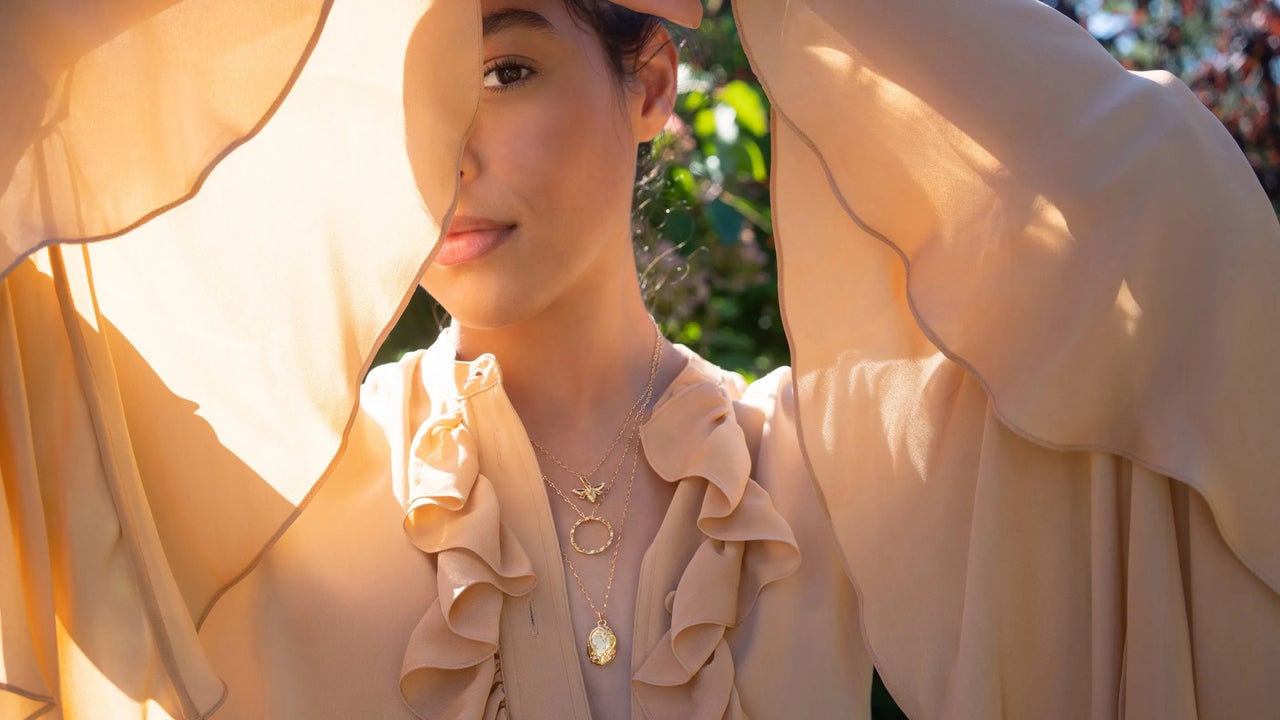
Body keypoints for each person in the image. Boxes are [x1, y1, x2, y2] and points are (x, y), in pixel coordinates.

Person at [1, 0, 1277, 719]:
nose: (450, 144)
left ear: (653, 82)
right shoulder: (258, 502)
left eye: (505, 68)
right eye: (418, 92)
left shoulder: (833, 479)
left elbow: (1163, 234)